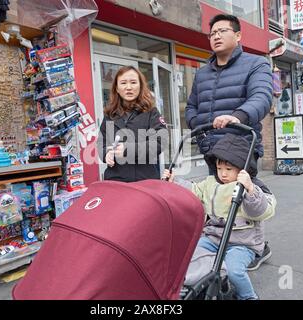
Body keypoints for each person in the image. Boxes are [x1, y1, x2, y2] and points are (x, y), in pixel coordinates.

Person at [163, 133, 276, 300]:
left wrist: (250, 189)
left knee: (234, 271)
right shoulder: (211, 183)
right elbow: (195, 190)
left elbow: (261, 211)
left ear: (242, 169)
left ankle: (248, 296)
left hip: (242, 243)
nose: (223, 174)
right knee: (188, 256)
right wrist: (174, 182)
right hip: (213, 238)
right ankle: (194, 286)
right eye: (219, 168)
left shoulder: (252, 187)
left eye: (228, 169)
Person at [185, 14, 272, 172]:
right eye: (212, 33)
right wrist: (198, 126)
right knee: (214, 194)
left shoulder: (257, 63)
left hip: (240, 150)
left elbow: (262, 97)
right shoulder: (202, 73)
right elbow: (191, 106)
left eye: (222, 31)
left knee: (242, 195)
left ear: (238, 35)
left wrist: (237, 117)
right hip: (210, 150)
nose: (216, 36)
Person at [98, 66, 168, 182]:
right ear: (117, 88)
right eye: (123, 83)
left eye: (133, 82)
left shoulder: (151, 112)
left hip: (145, 181)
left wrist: (128, 149)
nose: (128, 87)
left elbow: (160, 142)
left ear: (140, 86)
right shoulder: (110, 115)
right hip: (116, 181)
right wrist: (106, 154)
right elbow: (102, 143)